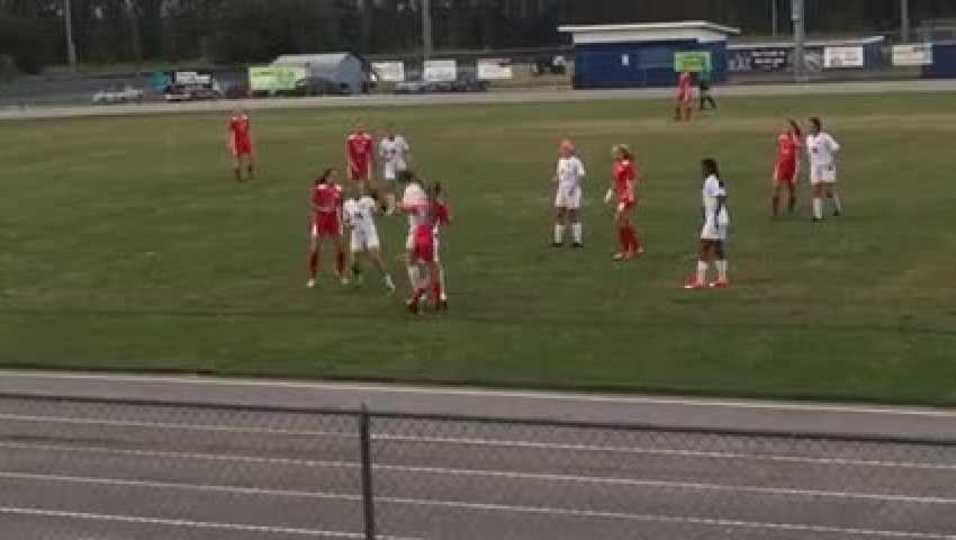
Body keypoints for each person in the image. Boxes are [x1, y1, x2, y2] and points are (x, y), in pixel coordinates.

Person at [685, 158, 730, 290]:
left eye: (703, 168)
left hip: (715, 219)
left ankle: (700, 281)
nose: (702, 170)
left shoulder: (711, 180)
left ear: (709, 168)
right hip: (722, 218)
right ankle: (722, 279)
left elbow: (720, 197)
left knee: (704, 247)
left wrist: (714, 215)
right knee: (718, 248)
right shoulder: (716, 180)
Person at [342, 187, 396, 293]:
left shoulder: (368, 201)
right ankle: (359, 278)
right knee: (354, 263)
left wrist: (382, 207)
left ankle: (388, 280)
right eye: (354, 190)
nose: (357, 191)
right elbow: (345, 220)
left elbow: (378, 213)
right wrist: (348, 225)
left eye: (359, 190)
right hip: (356, 234)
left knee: (374, 256)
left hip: (369, 232)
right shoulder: (347, 204)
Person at [406, 183, 449, 314]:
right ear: (437, 193)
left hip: (417, 236)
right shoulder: (439, 206)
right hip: (429, 239)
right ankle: (416, 299)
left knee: (412, 264)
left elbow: (408, 209)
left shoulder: (421, 204)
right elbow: (447, 221)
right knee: (433, 273)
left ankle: (435, 300)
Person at [307, 169, 348, 288]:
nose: (334, 179)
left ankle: (341, 274)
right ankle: (312, 278)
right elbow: (312, 204)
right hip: (320, 221)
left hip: (334, 221)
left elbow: (341, 204)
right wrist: (323, 209)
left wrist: (344, 217)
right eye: (332, 176)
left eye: (335, 176)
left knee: (340, 249)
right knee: (314, 250)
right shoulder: (319, 188)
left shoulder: (340, 189)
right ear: (326, 177)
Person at [608, 144, 643, 261]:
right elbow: (615, 181)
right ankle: (634, 247)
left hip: (626, 197)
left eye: (615, 152)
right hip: (620, 197)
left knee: (620, 221)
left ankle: (629, 250)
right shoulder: (616, 165)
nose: (613, 154)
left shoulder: (627, 165)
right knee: (623, 222)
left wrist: (628, 193)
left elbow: (634, 179)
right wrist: (610, 193)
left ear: (622, 154)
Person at [806, 117, 843, 221]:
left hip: (827, 166)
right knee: (815, 190)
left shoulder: (825, 137)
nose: (809, 127)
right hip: (815, 167)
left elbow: (836, 147)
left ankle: (837, 207)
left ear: (817, 127)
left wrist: (829, 158)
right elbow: (810, 152)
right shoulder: (808, 138)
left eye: (811, 126)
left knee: (828, 191)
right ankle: (817, 216)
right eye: (809, 126)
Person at [552, 139, 586, 248]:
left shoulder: (576, 161)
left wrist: (574, 187)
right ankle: (558, 241)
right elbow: (559, 174)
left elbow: (580, 175)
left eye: (564, 148)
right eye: (562, 148)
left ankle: (577, 241)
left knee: (573, 214)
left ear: (569, 150)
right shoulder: (560, 161)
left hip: (572, 191)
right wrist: (556, 178)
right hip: (561, 191)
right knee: (560, 213)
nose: (562, 150)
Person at [398, 171, 428, 294]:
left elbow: (413, 208)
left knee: (411, 262)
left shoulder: (410, 190)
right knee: (426, 262)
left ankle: (419, 291)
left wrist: (400, 206)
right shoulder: (420, 189)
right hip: (427, 228)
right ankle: (422, 291)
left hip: (417, 230)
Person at [427, 182, 452, 310]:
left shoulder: (426, 204)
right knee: (435, 267)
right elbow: (448, 221)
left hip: (424, 237)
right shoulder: (439, 205)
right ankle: (440, 296)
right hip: (432, 238)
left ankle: (435, 296)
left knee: (430, 267)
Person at [772, 119, 803, 217]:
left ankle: (790, 209)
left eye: (790, 127)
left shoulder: (796, 139)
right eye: (786, 127)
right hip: (781, 166)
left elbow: (798, 154)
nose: (787, 128)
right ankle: (775, 212)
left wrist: (797, 172)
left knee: (791, 189)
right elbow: (780, 150)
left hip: (792, 168)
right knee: (776, 187)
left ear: (793, 128)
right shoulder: (781, 137)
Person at [378, 125, 411, 214]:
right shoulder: (383, 142)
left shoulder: (400, 139)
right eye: (388, 132)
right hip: (389, 166)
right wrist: (386, 158)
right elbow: (381, 155)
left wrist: (408, 161)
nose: (390, 133)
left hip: (400, 165)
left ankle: (402, 205)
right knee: (390, 186)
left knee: (401, 186)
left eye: (392, 131)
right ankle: (392, 207)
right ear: (386, 133)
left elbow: (406, 150)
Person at [227, 108, 255, 182]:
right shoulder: (233, 121)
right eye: (236, 112)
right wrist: (230, 143)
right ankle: (238, 176)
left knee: (251, 156)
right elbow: (231, 132)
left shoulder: (245, 118)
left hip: (246, 140)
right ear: (234, 113)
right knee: (239, 159)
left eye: (240, 111)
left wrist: (251, 139)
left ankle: (250, 172)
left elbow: (248, 129)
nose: (238, 113)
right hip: (237, 141)